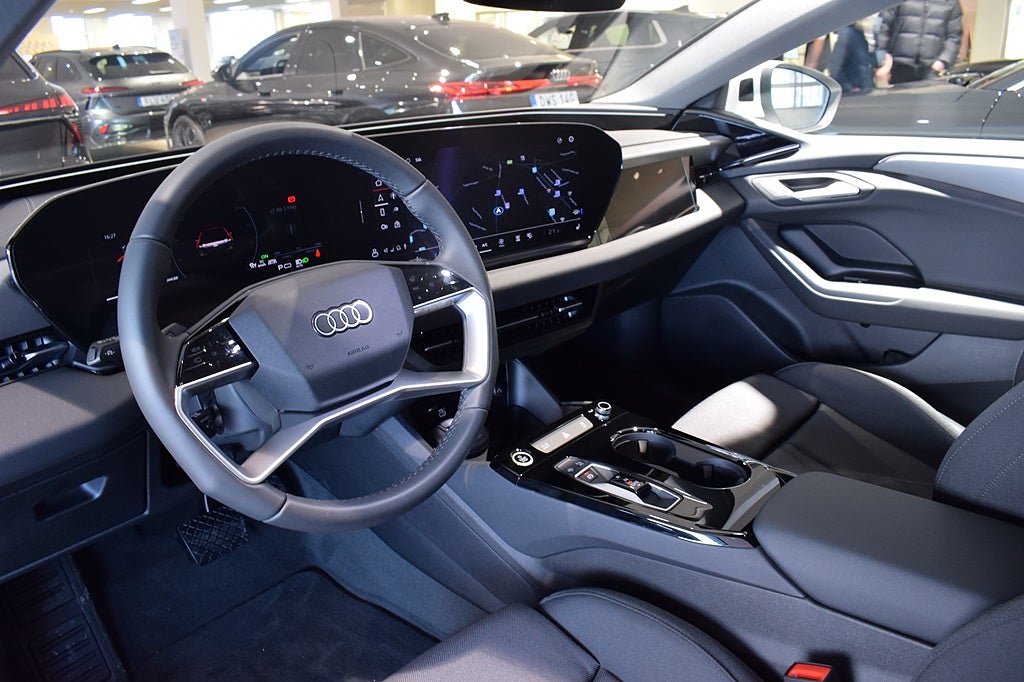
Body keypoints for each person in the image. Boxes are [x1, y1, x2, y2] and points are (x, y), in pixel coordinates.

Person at [875, 0, 963, 84]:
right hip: (899, 66)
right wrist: (882, 60)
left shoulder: (950, 3)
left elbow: (954, 37)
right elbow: (884, 27)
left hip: (931, 69)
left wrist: (942, 62)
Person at [828, 22, 874, 93]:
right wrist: (849, 89)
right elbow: (835, 67)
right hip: (855, 91)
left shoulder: (859, 34)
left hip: (864, 89)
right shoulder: (848, 34)